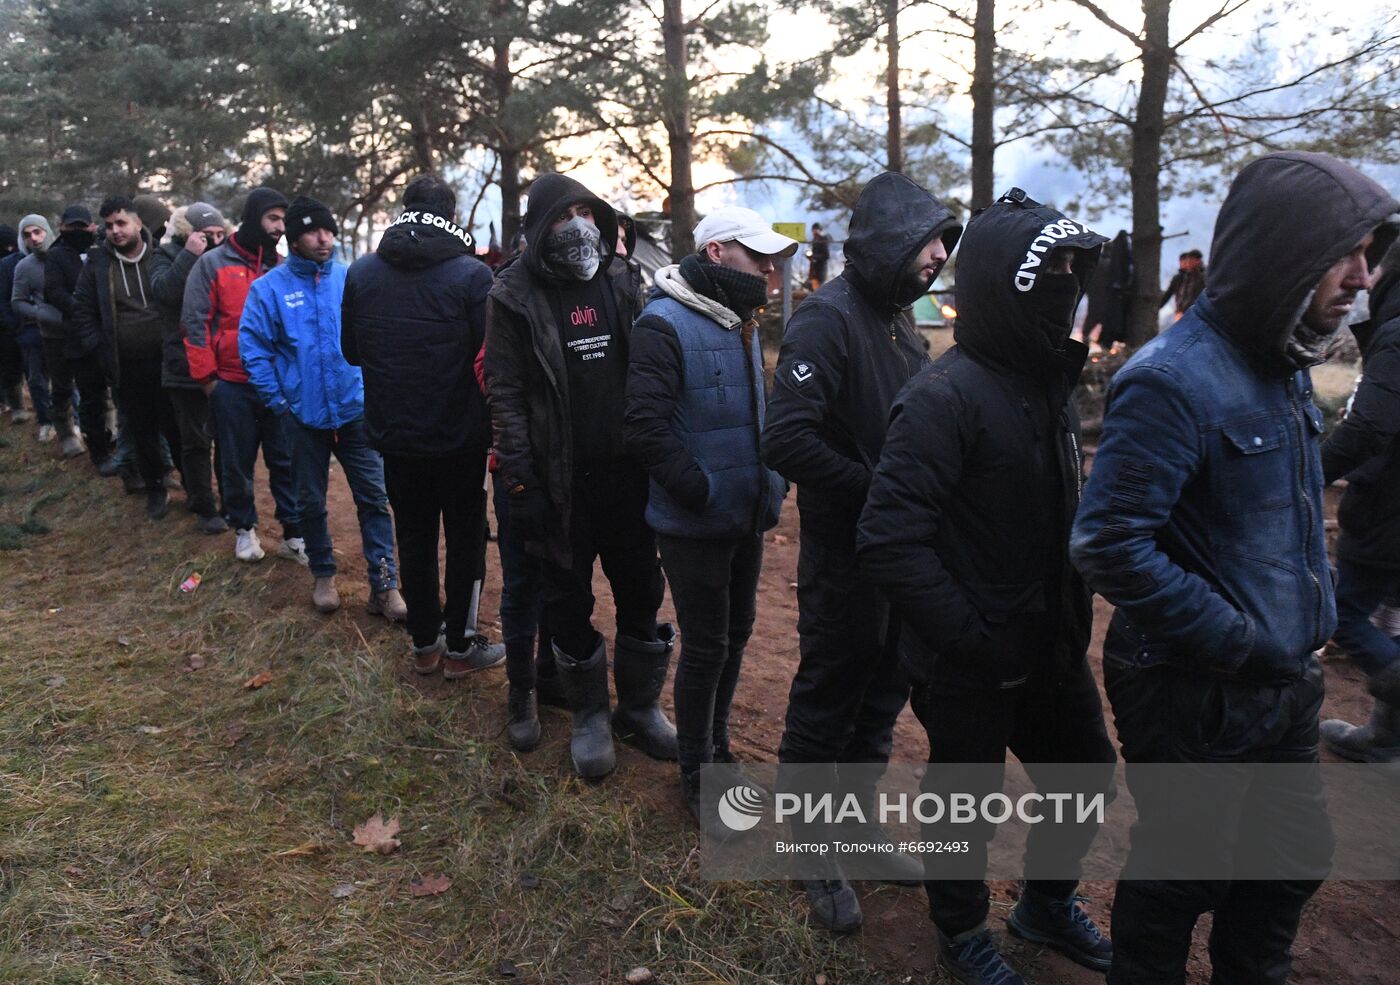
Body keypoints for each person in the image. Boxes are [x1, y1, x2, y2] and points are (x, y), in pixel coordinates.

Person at [1071, 151, 1399, 985]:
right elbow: (1108, 541)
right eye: (1349, 253)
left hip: (1283, 685)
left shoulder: (1283, 361)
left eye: (1374, 254)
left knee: (1285, 865)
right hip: (1195, 687)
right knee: (1184, 874)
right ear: (1285, 250)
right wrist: (1240, 637)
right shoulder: (1171, 381)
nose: (1366, 277)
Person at [858, 188, 1116, 983]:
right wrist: (972, 638)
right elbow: (888, 539)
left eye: (1079, 268)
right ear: (1012, 279)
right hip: (967, 655)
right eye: (1057, 268)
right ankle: (963, 931)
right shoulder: (942, 398)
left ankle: (1044, 903)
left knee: (1086, 775)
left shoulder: (1050, 384)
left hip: (1049, 641)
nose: (1071, 283)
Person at [761, 171, 961, 932]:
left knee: (882, 692)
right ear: (890, 243)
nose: (940, 254)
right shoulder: (827, 319)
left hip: (901, 554)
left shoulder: (899, 320)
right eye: (929, 240)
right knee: (829, 692)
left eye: (945, 241)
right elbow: (784, 436)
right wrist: (874, 487)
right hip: (844, 553)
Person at [484, 172, 671, 780]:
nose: (579, 225)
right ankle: (590, 713)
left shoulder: (623, 278)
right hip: (558, 483)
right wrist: (520, 483)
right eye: (566, 214)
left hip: (628, 475)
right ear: (542, 225)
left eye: (588, 212)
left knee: (643, 589)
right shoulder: (511, 294)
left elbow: (647, 369)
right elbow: (506, 394)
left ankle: (639, 708)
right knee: (567, 600)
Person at [623, 206, 795, 832]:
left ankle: (717, 750)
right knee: (705, 646)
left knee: (740, 631)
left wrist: (769, 478)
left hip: (745, 512)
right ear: (718, 253)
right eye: (758, 255)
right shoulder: (663, 323)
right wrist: (699, 490)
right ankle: (695, 774)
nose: (770, 268)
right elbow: (644, 427)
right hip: (694, 520)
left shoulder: (739, 317)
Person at [343, 175, 504, 674]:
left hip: (395, 435)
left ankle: (424, 645)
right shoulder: (472, 275)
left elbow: (351, 352)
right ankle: (460, 646)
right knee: (465, 536)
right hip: (460, 438)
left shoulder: (362, 272)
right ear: (451, 215)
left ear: (405, 209)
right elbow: (490, 360)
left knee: (412, 535)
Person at [239, 195, 403, 620]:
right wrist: (280, 401)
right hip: (302, 416)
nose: (324, 238)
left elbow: (374, 338)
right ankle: (323, 573)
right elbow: (253, 348)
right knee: (310, 500)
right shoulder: (268, 290)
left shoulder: (349, 280)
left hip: (355, 411)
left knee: (374, 498)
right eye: (313, 231)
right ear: (294, 239)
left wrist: (373, 390)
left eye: (328, 230)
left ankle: (385, 585)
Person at [183, 186, 305, 564]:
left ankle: (294, 533)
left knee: (285, 460)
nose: (279, 227)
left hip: (277, 384)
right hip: (231, 383)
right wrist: (208, 380)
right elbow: (195, 321)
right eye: (272, 218)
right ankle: (244, 529)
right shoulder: (212, 264)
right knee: (236, 461)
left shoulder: (284, 267)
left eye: (283, 220)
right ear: (254, 219)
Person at [1317, 246, 1400, 762]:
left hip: (1386, 514)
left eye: (1378, 266)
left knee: (1341, 614)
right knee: (1392, 615)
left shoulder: (1396, 337)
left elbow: (1368, 427)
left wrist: (1303, 474)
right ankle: (1386, 738)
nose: (1367, 280)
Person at [71, 196, 183, 519]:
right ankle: (155, 490)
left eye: (121, 223)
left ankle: (195, 490)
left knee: (177, 427)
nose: (115, 231)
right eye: (108, 226)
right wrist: (100, 349)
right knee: (143, 430)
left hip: (167, 359)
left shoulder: (162, 255)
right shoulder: (98, 263)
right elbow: (82, 309)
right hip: (127, 365)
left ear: (138, 223)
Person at [152, 203, 230, 533]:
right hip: (182, 362)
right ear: (189, 233)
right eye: (206, 235)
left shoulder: (229, 257)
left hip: (223, 362)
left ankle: (232, 504)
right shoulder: (167, 254)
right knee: (195, 441)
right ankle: (203, 505)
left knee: (226, 440)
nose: (214, 241)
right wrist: (189, 255)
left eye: (219, 235)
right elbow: (163, 293)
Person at [44, 203, 113, 467]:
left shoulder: (101, 250)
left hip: (109, 330)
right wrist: (82, 307)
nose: (77, 231)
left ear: (91, 226)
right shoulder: (56, 256)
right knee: (91, 394)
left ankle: (113, 439)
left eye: (81, 226)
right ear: (63, 227)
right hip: (78, 335)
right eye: (72, 226)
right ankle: (99, 452)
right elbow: (54, 291)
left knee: (111, 394)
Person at [3, 216, 52, 434]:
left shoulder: (58, 258)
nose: (33, 238)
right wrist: (17, 326)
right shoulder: (10, 265)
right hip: (26, 330)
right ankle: (45, 421)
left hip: (58, 329)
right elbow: (6, 301)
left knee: (65, 382)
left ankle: (73, 425)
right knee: (36, 380)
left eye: (37, 232)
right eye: (27, 234)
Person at [1160, 249, 1206, 321]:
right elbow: (1169, 294)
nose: (1186, 263)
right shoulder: (1180, 278)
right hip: (1181, 312)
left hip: (1196, 312)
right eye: (1184, 261)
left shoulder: (1202, 276)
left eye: (1188, 260)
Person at [808, 222, 830, 289]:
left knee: (819, 288)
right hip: (814, 269)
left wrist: (815, 256)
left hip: (820, 269)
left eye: (815, 229)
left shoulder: (823, 239)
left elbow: (826, 255)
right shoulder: (814, 240)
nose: (814, 232)